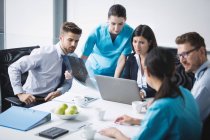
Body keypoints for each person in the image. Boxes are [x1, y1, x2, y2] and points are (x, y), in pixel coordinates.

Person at [99, 47, 202, 140]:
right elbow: (166, 122)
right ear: (174, 69)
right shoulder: (185, 93)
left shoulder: (160, 106)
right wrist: (135, 120)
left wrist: (115, 133)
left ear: (147, 71)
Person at [8, 22, 82, 106]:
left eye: (76, 41)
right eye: (70, 40)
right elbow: (14, 68)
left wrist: (59, 91)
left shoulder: (73, 57)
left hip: (53, 100)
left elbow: (68, 83)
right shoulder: (43, 53)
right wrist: (20, 94)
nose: (74, 44)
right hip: (31, 99)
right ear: (61, 38)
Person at [80, 4, 133, 77]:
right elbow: (85, 54)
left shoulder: (130, 33)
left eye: (120, 24)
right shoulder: (97, 31)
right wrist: (76, 71)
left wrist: (115, 80)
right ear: (108, 19)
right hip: (95, 71)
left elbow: (122, 59)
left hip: (115, 72)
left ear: (125, 20)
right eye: (113, 23)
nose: (116, 28)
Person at [176, 32, 210, 122]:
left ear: (202, 52)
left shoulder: (204, 83)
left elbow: (186, 119)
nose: (182, 60)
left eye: (185, 54)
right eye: (180, 55)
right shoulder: (202, 74)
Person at [122, 25, 157, 99]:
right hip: (134, 98)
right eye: (135, 41)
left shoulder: (157, 60)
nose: (137, 46)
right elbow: (125, 80)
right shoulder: (131, 58)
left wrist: (143, 92)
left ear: (150, 43)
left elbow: (159, 87)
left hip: (152, 99)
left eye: (141, 42)